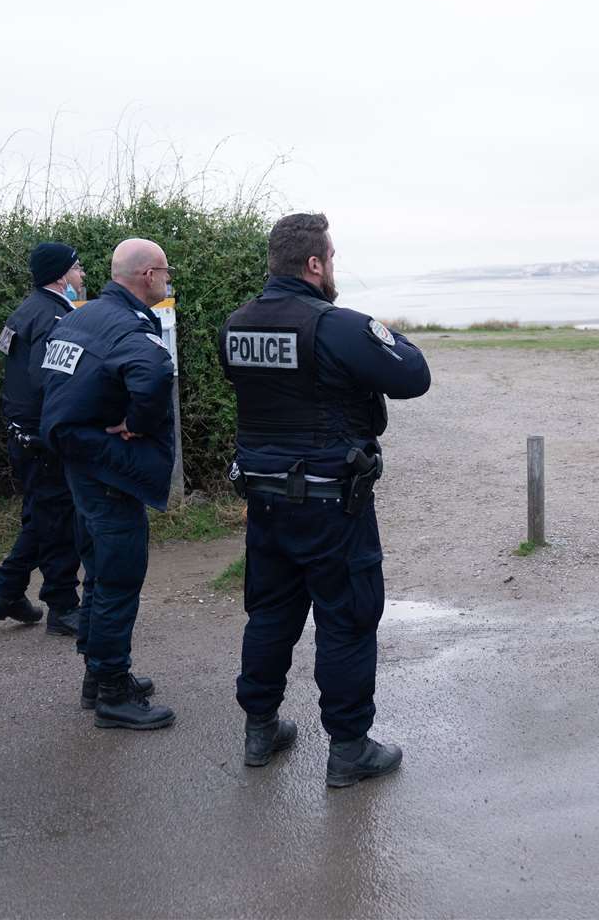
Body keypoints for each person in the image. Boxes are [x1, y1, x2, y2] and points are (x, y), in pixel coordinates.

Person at [218, 212, 431, 787]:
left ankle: (259, 730)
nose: (334, 265)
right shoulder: (334, 326)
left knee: (269, 614)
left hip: (264, 505)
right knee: (348, 620)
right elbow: (414, 374)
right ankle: (349, 749)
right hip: (332, 506)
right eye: (331, 257)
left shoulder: (236, 325)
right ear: (314, 263)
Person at [39, 238, 178, 730]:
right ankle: (113, 694)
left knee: (99, 570)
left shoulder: (79, 316)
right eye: (165, 273)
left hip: (80, 460)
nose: (168, 281)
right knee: (118, 574)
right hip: (108, 464)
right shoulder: (127, 326)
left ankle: (98, 677)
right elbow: (156, 373)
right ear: (147, 275)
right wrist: (137, 423)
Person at [0, 242, 86, 635]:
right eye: (77, 270)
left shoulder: (24, 310)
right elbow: (48, 379)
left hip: (21, 433)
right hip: (42, 437)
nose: (81, 278)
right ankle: (62, 606)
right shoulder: (56, 318)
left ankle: (7, 591)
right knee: (59, 518)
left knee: (41, 515)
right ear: (60, 276)